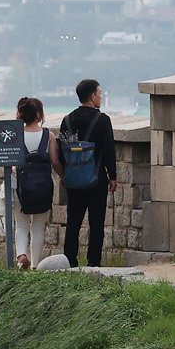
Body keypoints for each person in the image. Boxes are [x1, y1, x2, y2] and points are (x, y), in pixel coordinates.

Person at [57, 78, 117, 267]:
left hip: (73, 179)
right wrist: (112, 176)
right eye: (99, 93)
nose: (101, 96)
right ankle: (93, 263)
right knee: (96, 224)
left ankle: (70, 262)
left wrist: (64, 175)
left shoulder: (66, 120)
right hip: (96, 179)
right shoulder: (102, 120)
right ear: (92, 96)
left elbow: (61, 152)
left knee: (73, 223)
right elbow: (109, 150)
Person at [12, 96, 56, 270]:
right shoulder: (48, 135)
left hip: (20, 185)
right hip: (44, 186)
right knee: (38, 226)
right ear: (39, 114)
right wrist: (63, 176)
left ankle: (22, 255)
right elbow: (55, 161)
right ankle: (36, 265)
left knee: (21, 224)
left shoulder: (15, 134)